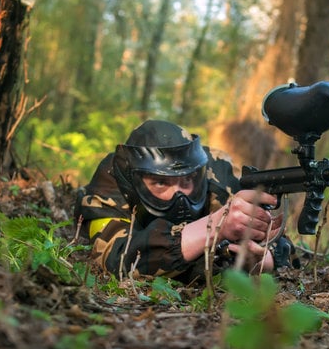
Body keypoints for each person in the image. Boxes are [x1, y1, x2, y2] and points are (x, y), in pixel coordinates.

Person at [75, 119, 297, 281]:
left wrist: (265, 258)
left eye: (187, 181)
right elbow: (118, 259)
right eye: (160, 183)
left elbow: (281, 244)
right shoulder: (112, 181)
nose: (179, 195)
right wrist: (215, 227)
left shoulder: (216, 175)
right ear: (135, 182)